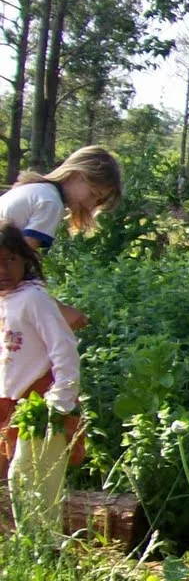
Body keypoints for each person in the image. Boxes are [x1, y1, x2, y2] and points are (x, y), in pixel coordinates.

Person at [0, 226, 83, 536]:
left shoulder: (34, 298)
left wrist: (60, 399)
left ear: (25, 260)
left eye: (10, 259)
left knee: (31, 477)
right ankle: (29, 542)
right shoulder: (4, 300)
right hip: (10, 403)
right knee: (18, 476)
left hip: (41, 403)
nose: (3, 270)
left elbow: (64, 347)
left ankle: (44, 545)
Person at [0, 145, 123, 331]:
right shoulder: (51, 202)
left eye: (98, 202)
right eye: (93, 194)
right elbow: (21, 265)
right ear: (76, 175)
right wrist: (58, 311)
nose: (91, 205)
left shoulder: (36, 190)